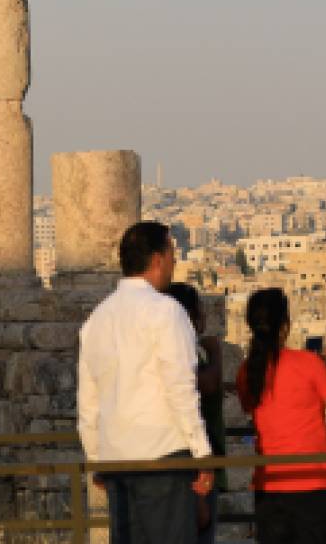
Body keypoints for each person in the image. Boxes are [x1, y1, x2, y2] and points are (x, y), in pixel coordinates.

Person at [77, 222, 213, 544]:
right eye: (171, 253)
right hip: (162, 455)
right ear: (157, 259)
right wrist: (203, 455)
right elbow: (180, 387)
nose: (174, 262)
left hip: (117, 460)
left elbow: (88, 400)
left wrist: (95, 458)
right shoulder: (166, 312)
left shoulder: (97, 319)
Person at [236, 287, 326, 544]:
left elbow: (248, 407)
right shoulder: (309, 363)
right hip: (314, 484)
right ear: (285, 326)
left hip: (270, 486)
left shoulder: (247, 371)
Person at [167, 283, 229, 544]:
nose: (204, 318)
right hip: (196, 468)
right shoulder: (183, 351)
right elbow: (205, 383)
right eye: (199, 312)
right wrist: (215, 354)